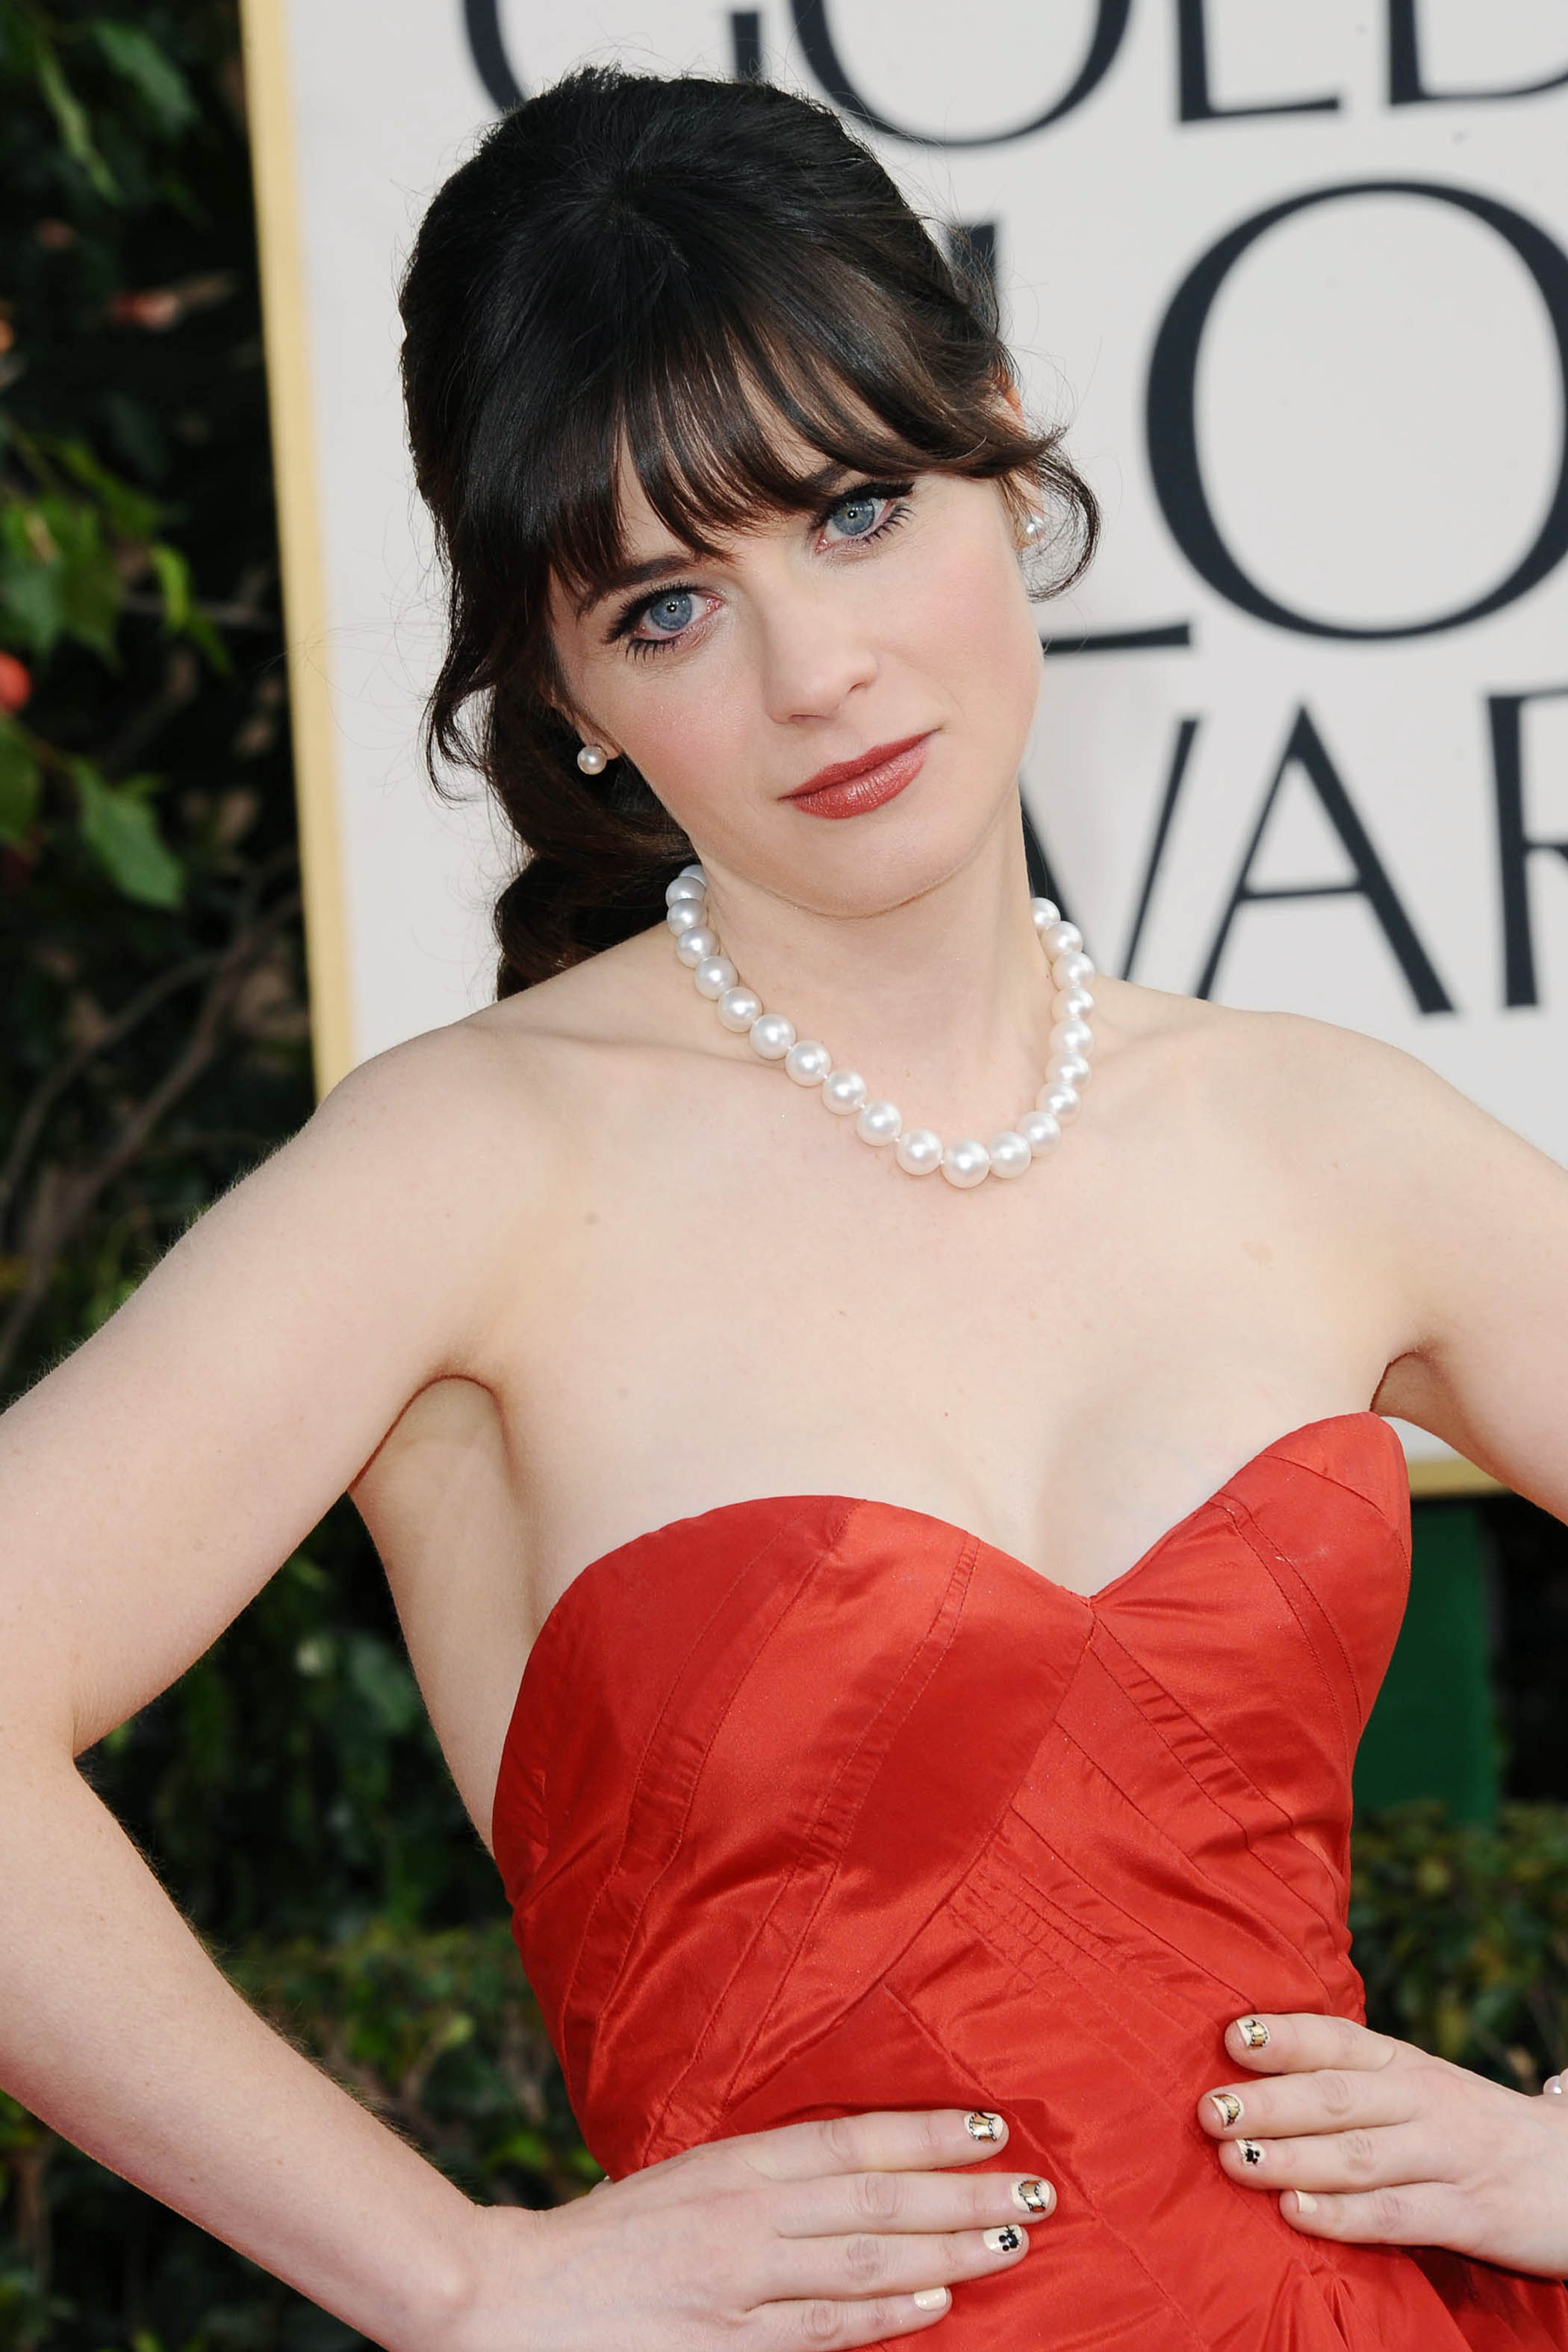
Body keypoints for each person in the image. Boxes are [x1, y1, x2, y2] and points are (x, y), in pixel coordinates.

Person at [1, 59, 1567, 2352]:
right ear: (562, 689)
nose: (815, 674)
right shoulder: (469, 1172)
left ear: (998, 456)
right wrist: (453, 2274)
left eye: (850, 511)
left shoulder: (1326, 1139)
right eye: (663, 609)